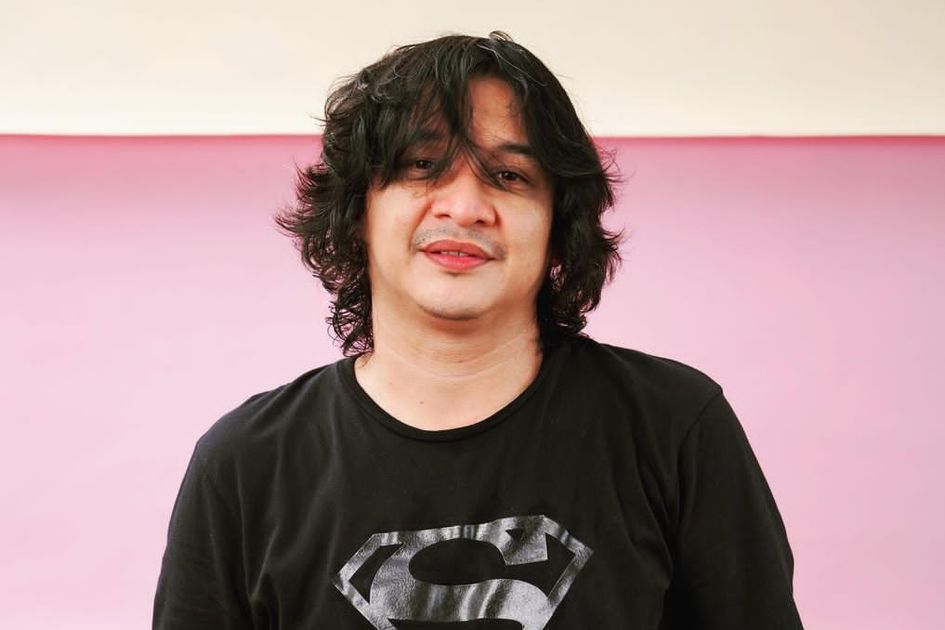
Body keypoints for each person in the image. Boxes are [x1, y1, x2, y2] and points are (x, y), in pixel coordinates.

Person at [153, 31, 804, 629]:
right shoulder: (245, 466)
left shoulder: (672, 429)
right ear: (357, 211)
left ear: (557, 225)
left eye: (508, 175)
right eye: (422, 166)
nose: (464, 207)